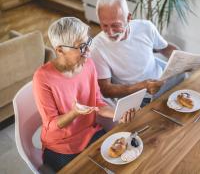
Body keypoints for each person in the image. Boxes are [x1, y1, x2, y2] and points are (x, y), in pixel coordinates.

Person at [33, 17, 135, 172]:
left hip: (90, 132)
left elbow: (97, 102)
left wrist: (118, 112)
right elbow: (51, 126)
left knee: (125, 160)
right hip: (61, 146)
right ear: (60, 50)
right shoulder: (42, 78)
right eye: (81, 47)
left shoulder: (88, 64)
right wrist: (74, 113)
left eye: (88, 42)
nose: (88, 51)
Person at [90, 0, 178, 102]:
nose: (110, 32)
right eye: (104, 25)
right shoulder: (96, 47)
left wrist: (184, 59)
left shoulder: (146, 27)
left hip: (163, 82)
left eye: (115, 25)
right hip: (136, 98)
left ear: (128, 18)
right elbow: (106, 90)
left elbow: (164, 48)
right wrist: (141, 87)